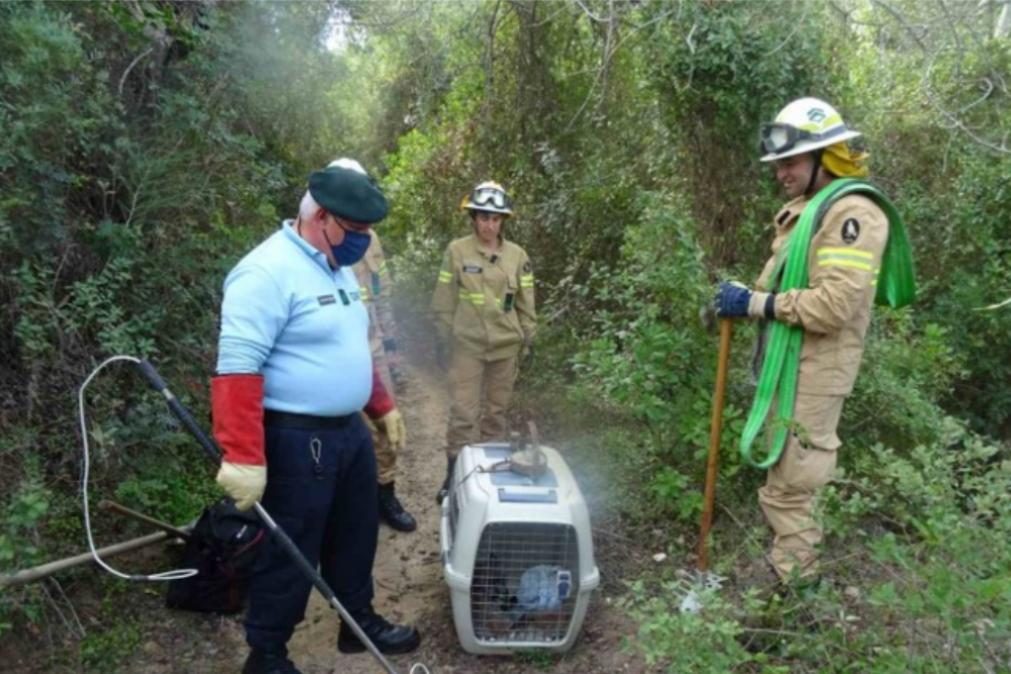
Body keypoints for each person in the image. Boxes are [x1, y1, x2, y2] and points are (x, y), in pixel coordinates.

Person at [212, 161, 421, 674]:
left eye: (368, 232)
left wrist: (380, 405)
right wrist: (242, 454)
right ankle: (267, 653)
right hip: (296, 439)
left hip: (348, 434)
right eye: (356, 231)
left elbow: (350, 347)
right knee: (292, 546)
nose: (363, 242)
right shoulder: (266, 272)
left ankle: (357, 622)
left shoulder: (337, 265)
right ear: (321, 216)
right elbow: (237, 369)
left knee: (356, 534)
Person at [714, 97, 904, 584]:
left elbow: (834, 306)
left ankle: (794, 601)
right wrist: (738, 298)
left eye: (791, 161)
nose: (780, 172)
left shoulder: (852, 213)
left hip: (816, 372)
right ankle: (788, 573)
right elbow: (785, 286)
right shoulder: (808, 210)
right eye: (777, 163)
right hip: (791, 365)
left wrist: (754, 305)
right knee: (783, 481)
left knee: (791, 491)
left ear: (826, 157)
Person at [430, 181, 536, 502]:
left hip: (505, 348)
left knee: (496, 414)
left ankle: (488, 478)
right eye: (483, 217)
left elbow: (526, 303)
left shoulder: (518, 256)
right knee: (463, 413)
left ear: (503, 221)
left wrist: (530, 340)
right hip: (468, 347)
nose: (489, 224)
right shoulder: (457, 251)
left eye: (495, 218)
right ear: (473, 218)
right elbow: (444, 299)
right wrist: (441, 338)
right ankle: (453, 477)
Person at [351, 224, 417, 532]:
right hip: (335, 351)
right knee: (344, 431)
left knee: (386, 425)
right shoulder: (313, 239)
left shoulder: (371, 237)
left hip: (372, 345)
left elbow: (382, 292)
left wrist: (391, 346)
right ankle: (351, 504)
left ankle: (385, 494)